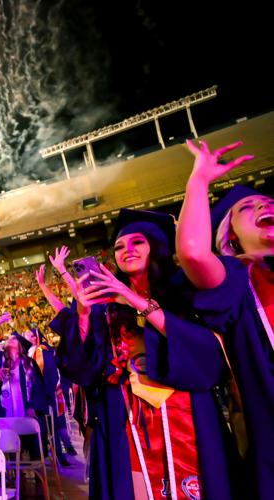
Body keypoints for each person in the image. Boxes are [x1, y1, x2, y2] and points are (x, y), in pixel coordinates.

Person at [54, 209, 237, 499]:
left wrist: (136, 301)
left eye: (136, 242)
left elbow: (207, 355)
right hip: (127, 422)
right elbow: (81, 370)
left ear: (155, 244)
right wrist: (84, 313)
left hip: (187, 415)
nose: (126, 250)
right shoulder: (106, 305)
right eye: (118, 246)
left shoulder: (185, 289)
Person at [176, 139, 273, 496]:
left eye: (268, 202)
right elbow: (193, 253)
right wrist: (198, 182)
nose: (263, 204)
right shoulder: (238, 283)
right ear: (230, 236)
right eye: (247, 207)